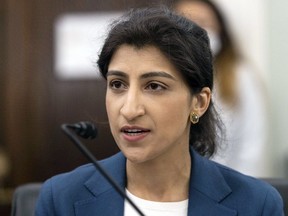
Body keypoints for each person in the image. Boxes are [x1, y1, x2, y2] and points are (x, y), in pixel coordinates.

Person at [35, 6, 283, 215]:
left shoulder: (257, 204)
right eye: (117, 84)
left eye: (154, 86)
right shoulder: (61, 199)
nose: (130, 109)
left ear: (199, 102)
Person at [173, 0, 271, 177]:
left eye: (204, 22)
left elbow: (252, 142)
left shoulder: (240, 75)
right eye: (187, 23)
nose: (197, 30)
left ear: (220, 29)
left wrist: (241, 188)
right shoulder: (165, 76)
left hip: (230, 183)